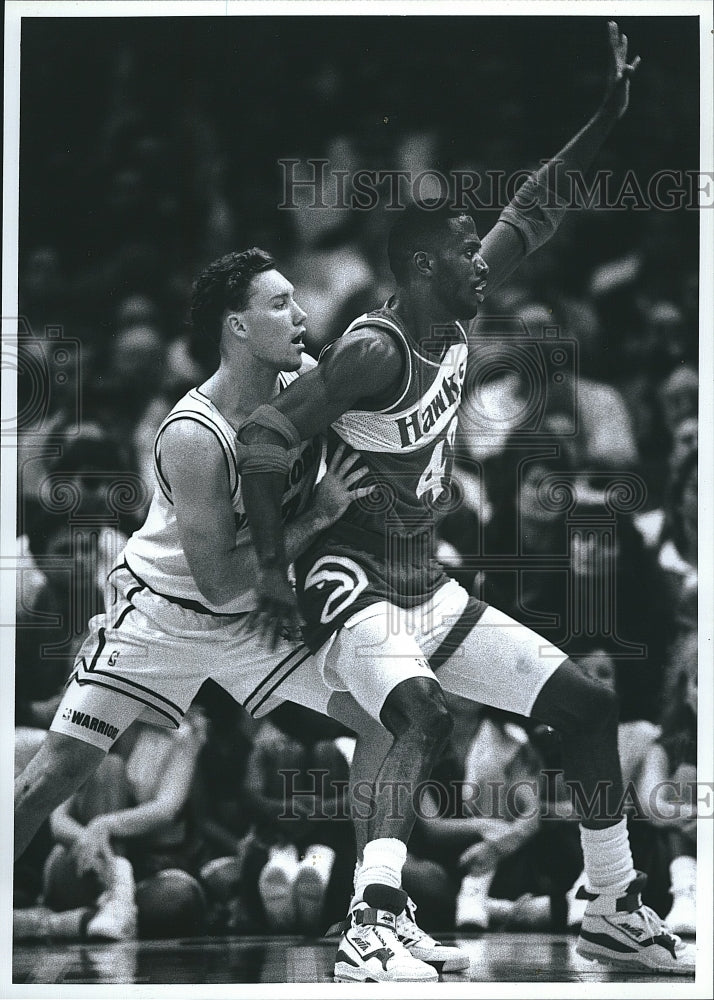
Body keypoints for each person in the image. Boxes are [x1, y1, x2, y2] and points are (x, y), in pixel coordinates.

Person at [237, 23, 694, 979]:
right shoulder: (374, 350)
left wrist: (605, 116)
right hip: (345, 573)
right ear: (419, 270)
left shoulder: (454, 311)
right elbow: (263, 440)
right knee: (423, 717)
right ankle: (370, 923)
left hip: (421, 581)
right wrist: (281, 562)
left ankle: (610, 902)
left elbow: (537, 207)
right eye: (462, 251)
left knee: (585, 702)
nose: (482, 260)